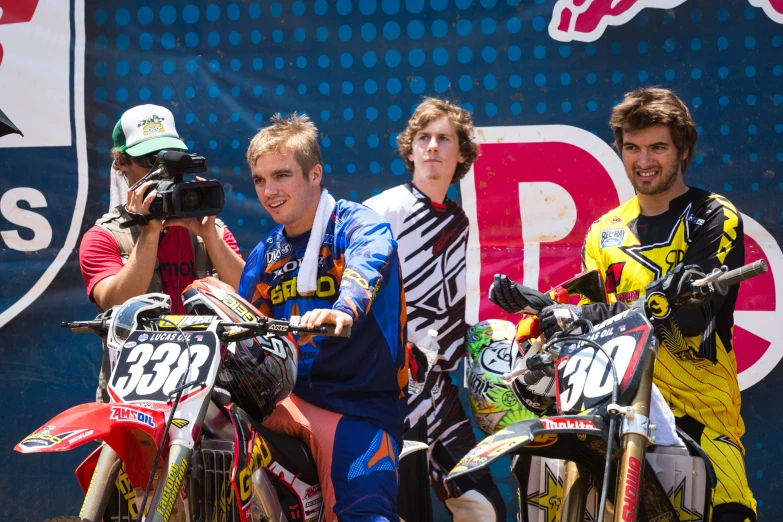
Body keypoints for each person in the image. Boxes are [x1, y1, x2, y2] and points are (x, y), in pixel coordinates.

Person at [491, 88, 755, 521]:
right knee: (542, 488)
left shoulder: (712, 214)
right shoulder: (602, 232)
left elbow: (687, 317)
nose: (643, 160)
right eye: (631, 148)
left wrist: (586, 314)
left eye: (657, 147)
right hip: (612, 407)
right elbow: (578, 322)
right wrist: (542, 308)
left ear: (683, 149)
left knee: (728, 511)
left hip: (698, 415)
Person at [237, 113, 407, 521]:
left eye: (281, 175)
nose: (269, 190)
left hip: (356, 406)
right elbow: (243, 321)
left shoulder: (357, 224)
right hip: (285, 400)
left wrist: (344, 308)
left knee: (361, 516)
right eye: (260, 180)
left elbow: (371, 260)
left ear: (315, 174)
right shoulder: (266, 254)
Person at [365, 98, 505, 521]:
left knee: (484, 509)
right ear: (409, 150)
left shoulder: (458, 220)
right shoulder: (382, 209)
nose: (432, 147)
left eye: (444, 139)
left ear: (461, 153)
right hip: (391, 388)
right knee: (405, 512)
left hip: (439, 389)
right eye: (423, 138)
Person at [79, 104, 244, 402]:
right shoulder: (103, 236)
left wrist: (209, 236)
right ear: (122, 163)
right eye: (149, 160)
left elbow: (247, 297)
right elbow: (115, 302)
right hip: (133, 394)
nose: (161, 172)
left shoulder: (212, 230)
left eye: (168, 159)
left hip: (212, 391)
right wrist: (149, 232)